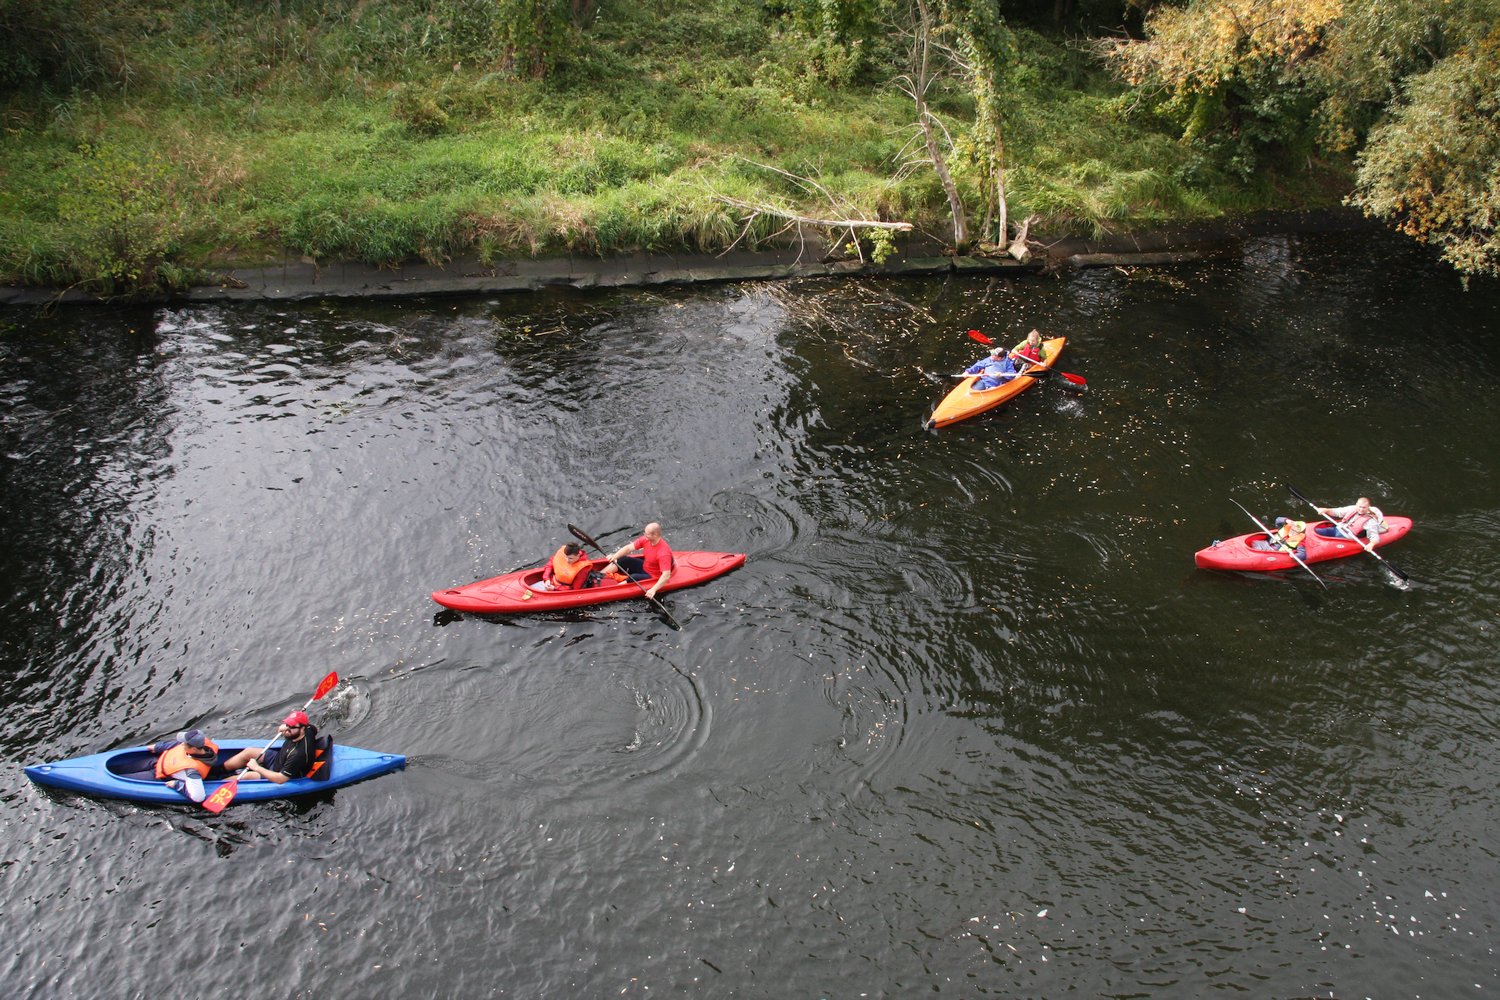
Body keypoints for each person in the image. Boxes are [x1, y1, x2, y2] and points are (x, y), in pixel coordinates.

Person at [220, 712, 325, 784]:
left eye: (292, 727)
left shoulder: (298, 754)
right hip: (277, 759)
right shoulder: (308, 730)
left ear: (302, 729)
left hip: (279, 773)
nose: (287, 729)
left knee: (247, 776)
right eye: (287, 724)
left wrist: (256, 767)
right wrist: (288, 727)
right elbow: (313, 728)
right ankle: (216, 770)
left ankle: (220, 783)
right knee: (249, 751)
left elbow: (281, 779)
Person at [603, 522, 676, 599]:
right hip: (645, 566)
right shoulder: (646, 539)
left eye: (647, 534)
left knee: (633, 577)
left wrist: (653, 590)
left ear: (655, 535)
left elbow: (666, 575)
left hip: (654, 575)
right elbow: (628, 548)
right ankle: (599, 575)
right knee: (623, 560)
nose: (645, 535)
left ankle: (608, 589)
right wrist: (614, 556)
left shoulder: (663, 553)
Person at [151, 729, 222, 803]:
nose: (182, 744)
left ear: (193, 749)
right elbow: (178, 743)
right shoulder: (201, 744)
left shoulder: (193, 771)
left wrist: (177, 785)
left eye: (184, 744)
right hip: (159, 760)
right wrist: (158, 747)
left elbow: (198, 797)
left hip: (160, 775)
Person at [1314, 497, 1388, 544]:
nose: (1361, 509)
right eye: (1360, 507)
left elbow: (1374, 536)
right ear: (1357, 504)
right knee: (1317, 532)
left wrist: (1371, 544)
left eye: (1364, 507)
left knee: (1323, 543)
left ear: (1368, 506)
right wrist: (1326, 510)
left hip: (1346, 538)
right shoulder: (1353, 508)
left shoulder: (1371, 521)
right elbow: (1338, 512)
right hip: (1337, 529)